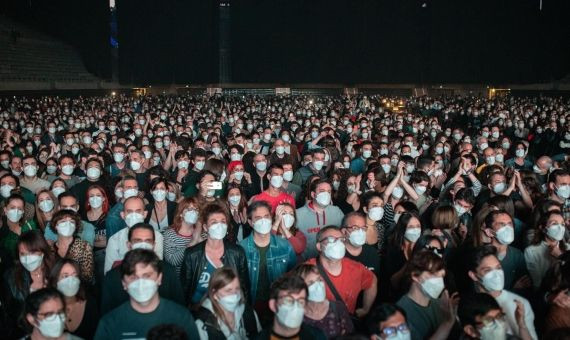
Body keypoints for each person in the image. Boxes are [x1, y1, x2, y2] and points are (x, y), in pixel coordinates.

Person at [94, 249, 200, 339]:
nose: (141, 283)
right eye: (133, 277)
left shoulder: (181, 317)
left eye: (147, 276)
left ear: (159, 278)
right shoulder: (109, 323)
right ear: (124, 283)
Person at [101, 223, 184, 314]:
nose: (143, 245)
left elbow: (179, 308)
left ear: (153, 245)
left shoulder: (169, 272)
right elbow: (107, 314)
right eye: (137, 241)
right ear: (129, 245)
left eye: (148, 241)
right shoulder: (112, 277)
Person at [180, 203, 250, 306]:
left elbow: (245, 289)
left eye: (223, 222)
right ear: (205, 227)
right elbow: (184, 291)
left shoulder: (237, 253)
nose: (219, 225)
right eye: (214, 222)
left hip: (231, 310)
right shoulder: (192, 254)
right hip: (198, 311)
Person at [466, 245, 538, 339]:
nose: (496, 275)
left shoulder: (520, 303)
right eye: (488, 270)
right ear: (473, 275)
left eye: (498, 268)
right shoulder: (467, 307)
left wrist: (522, 326)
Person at [240, 200, 297, 318]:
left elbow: (293, 276)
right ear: (250, 222)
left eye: (266, 216)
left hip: (279, 305)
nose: (263, 221)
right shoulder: (241, 249)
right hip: (251, 307)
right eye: (258, 218)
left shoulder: (285, 246)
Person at [306, 225, 377, 316]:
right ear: (319, 246)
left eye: (341, 240)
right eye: (331, 240)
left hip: (345, 325)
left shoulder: (355, 268)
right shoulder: (306, 271)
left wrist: (365, 309)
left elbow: (372, 280)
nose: (337, 244)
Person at [396, 250, 458, 340]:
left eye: (441, 276)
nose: (439, 281)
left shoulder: (440, 304)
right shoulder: (402, 312)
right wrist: (447, 323)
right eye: (433, 275)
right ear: (415, 276)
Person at [194, 267, 262, 339]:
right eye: (228, 290)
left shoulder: (250, 314)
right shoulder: (202, 325)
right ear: (215, 294)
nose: (235, 295)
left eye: (237, 289)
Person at [255, 274, 326, 340]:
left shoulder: (318, 337)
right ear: (273, 305)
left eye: (300, 302)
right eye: (288, 300)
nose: (295, 307)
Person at [104, 196, 164, 273]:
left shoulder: (157, 237)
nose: (134, 215)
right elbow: (109, 273)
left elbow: (157, 269)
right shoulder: (114, 240)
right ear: (123, 215)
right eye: (129, 211)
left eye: (138, 211)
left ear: (145, 214)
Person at [293, 263, 354, 338]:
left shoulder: (338, 307)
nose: (318, 285)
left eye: (319, 280)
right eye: (311, 283)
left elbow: (351, 337)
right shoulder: (295, 316)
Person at [48, 258, 99, 339]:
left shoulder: (91, 304)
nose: (71, 280)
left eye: (74, 275)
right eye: (65, 276)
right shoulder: (46, 308)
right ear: (55, 280)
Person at [296, 179, 344, 259]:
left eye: (329, 192)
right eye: (322, 191)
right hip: (308, 264)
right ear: (313, 194)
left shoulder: (336, 211)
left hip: (333, 261)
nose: (326, 194)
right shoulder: (298, 214)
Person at [525, 210, 568, 290]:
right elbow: (537, 283)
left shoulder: (568, 248)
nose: (560, 227)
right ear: (543, 228)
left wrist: (562, 256)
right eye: (554, 223)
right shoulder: (531, 251)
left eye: (562, 224)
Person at [49, 210, 94, 283]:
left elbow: (87, 276)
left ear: (76, 227)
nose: (68, 224)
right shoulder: (50, 249)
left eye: (72, 222)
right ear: (55, 226)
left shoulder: (84, 246)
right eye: (63, 221)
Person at [163, 197, 202, 275]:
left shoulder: (203, 233)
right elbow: (173, 261)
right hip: (178, 280)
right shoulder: (170, 234)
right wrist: (192, 243)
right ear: (180, 214)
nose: (193, 212)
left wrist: (199, 232)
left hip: (197, 278)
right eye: (189, 209)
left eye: (196, 209)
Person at [341, 211, 381, 277]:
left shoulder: (372, 252)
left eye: (363, 228)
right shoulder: (337, 254)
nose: (360, 232)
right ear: (344, 231)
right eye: (355, 228)